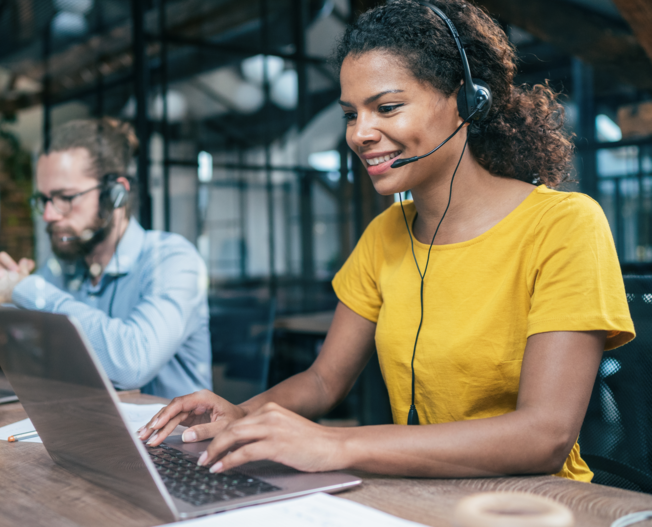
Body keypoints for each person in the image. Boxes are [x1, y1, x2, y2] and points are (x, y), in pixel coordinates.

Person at [139, 0, 635, 480]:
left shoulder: (564, 225)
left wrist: (336, 445)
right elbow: (322, 381)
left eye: (387, 107)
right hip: (415, 494)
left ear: (466, 101)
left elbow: (544, 436)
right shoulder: (385, 234)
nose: (360, 133)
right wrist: (239, 415)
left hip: (534, 505)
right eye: (351, 114)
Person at [0, 118, 212, 399]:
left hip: (176, 441)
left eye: (66, 197)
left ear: (115, 194)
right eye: (44, 199)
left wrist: (25, 289)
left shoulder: (173, 260)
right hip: (94, 435)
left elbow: (132, 364)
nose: (48, 215)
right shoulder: (64, 268)